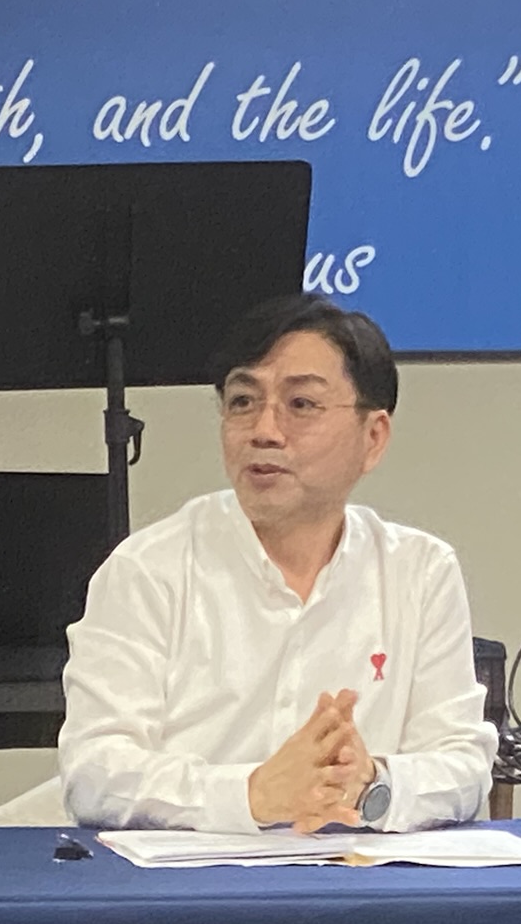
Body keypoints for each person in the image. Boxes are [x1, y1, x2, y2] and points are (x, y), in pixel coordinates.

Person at [58, 294, 496, 833]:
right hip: (191, 879)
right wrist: (251, 794)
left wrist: (372, 782)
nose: (264, 430)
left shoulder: (419, 572)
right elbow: (94, 773)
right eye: (242, 401)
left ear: (373, 437)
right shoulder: (149, 570)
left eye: (301, 404)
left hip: (357, 871)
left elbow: (464, 764)